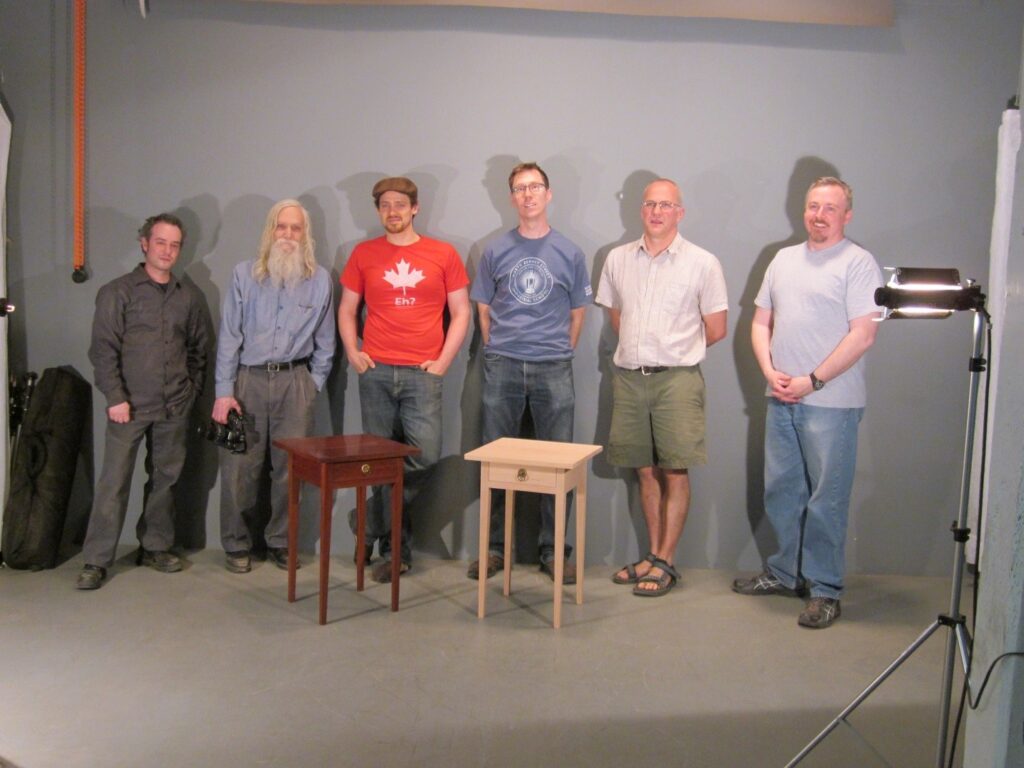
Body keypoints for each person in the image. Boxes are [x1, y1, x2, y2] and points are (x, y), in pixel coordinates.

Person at [733, 176, 882, 629]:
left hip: (830, 403)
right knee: (782, 492)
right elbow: (761, 323)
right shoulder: (782, 260)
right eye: (813, 206)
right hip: (781, 397)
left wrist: (812, 381)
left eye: (830, 208)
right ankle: (783, 573)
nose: (819, 215)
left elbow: (864, 333)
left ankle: (824, 590)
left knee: (826, 500)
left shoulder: (859, 263)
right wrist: (770, 372)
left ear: (846, 215)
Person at [595, 178, 728, 597]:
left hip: (678, 380)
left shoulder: (703, 263)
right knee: (644, 470)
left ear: (679, 212)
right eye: (650, 204)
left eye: (666, 205)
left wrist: (673, 347)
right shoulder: (617, 259)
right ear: (640, 210)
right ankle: (652, 556)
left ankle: (666, 561)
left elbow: (717, 328)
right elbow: (618, 316)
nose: (657, 212)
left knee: (675, 468)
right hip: (630, 378)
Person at [339, 177, 470, 583]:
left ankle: (368, 524)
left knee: (423, 458)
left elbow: (461, 311)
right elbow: (347, 309)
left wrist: (444, 362)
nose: (392, 211)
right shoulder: (363, 254)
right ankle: (397, 550)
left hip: (422, 374)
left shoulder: (442, 254)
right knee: (378, 462)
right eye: (385, 205)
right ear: (378, 211)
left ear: (415, 208)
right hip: (375, 371)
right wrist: (352, 352)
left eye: (400, 204)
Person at [467, 162, 592, 583]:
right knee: (496, 460)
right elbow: (483, 309)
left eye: (535, 186)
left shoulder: (570, 252)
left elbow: (578, 313)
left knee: (559, 463)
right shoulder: (496, 251)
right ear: (512, 198)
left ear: (548, 193)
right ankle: (493, 550)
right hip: (502, 363)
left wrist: (554, 349)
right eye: (520, 188)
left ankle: (554, 552)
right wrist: (500, 347)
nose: (528, 194)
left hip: (553, 365)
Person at [77, 213, 209, 590]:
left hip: (174, 408)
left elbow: (200, 349)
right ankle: (96, 560)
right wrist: (115, 398)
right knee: (113, 484)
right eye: (161, 242)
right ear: (144, 244)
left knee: (165, 482)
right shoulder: (117, 292)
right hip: (128, 408)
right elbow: (103, 351)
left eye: (174, 244)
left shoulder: (188, 296)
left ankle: (154, 546)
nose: (167, 251)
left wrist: (191, 393)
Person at [213, 199, 336, 574]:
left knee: (290, 469)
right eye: (281, 227)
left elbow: (326, 342)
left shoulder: (320, 280)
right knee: (239, 468)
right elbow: (229, 336)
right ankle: (236, 544)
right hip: (247, 381)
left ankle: (282, 542)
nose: (288, 234)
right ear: (270, 231)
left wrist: (311, 384)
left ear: (305, 234)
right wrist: (223, 390)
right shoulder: (243, 275)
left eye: (295, 228)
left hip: (295, 382)